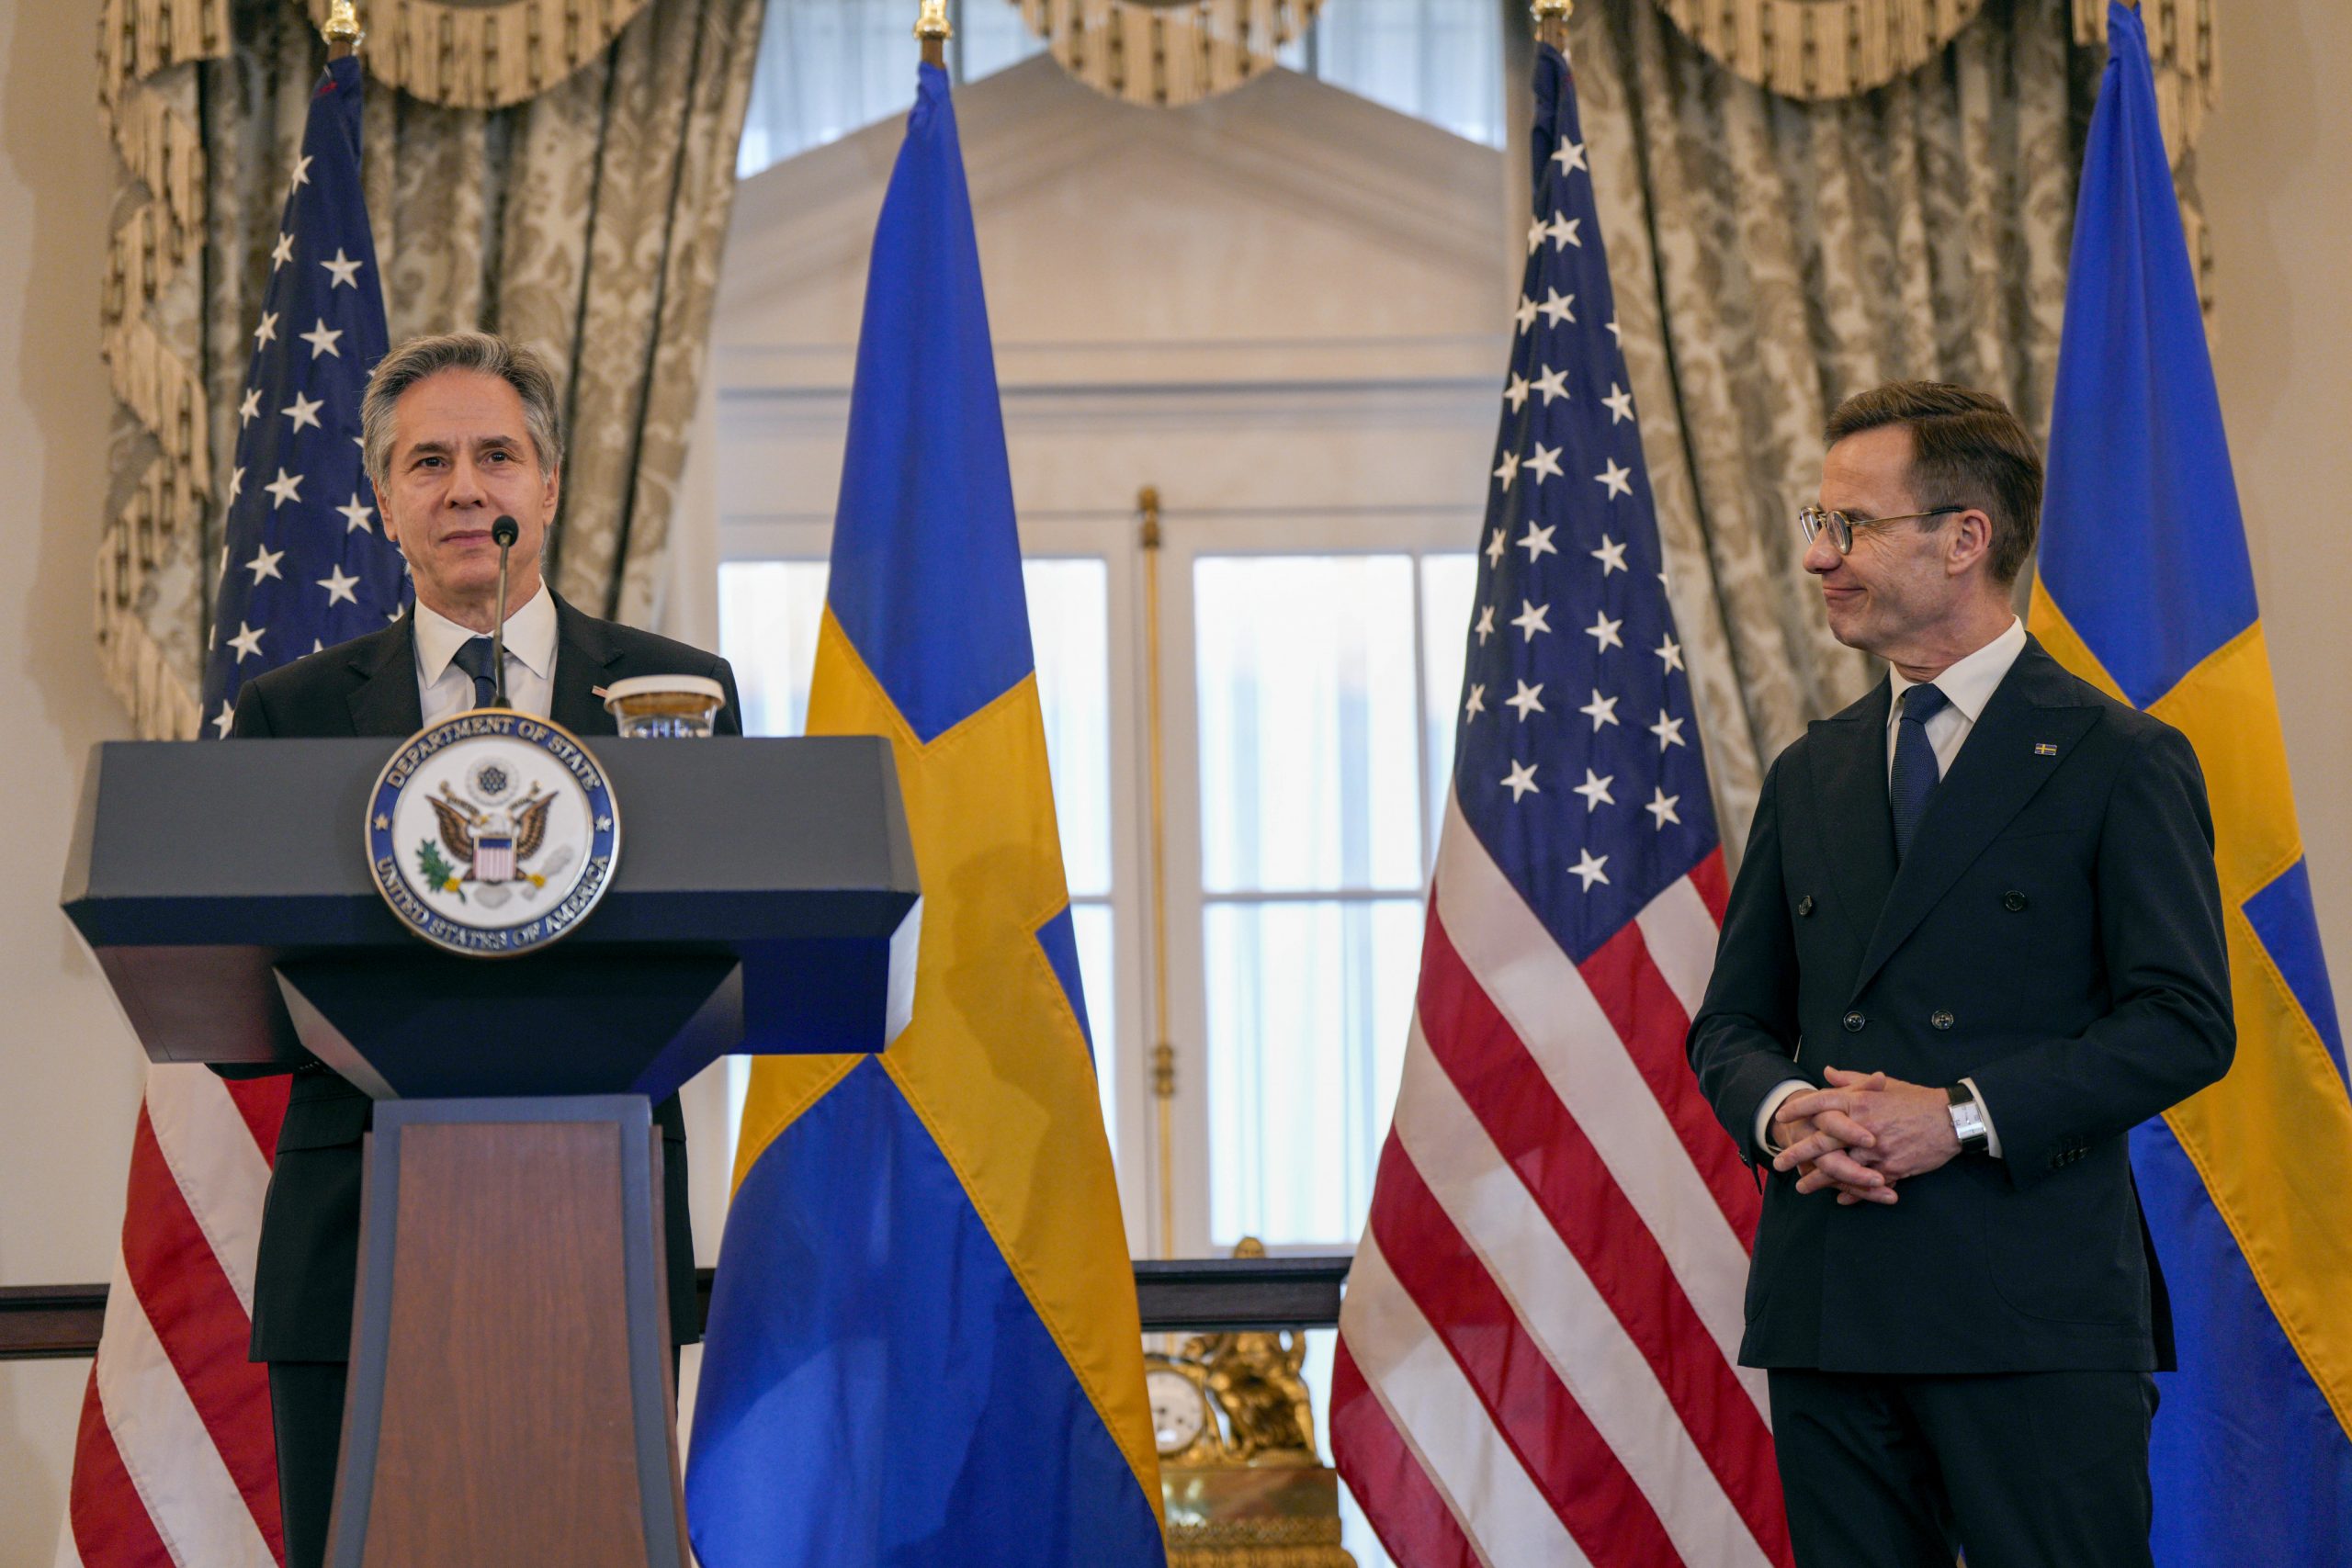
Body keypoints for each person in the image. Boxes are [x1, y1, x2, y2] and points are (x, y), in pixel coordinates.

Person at [1686, 381, 2233, 1568]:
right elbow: (1729, 1025)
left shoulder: (2119, 758)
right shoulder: (1811, 771)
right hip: (1832, 1303)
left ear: (1964, 537)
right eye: (1818, 523)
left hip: (2032, 1315)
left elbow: (2184, 1021)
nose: (1820, 557)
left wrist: (1959, 1117)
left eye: (1852, 525)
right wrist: (1787, 1112)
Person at [228, 331, 740, 1568]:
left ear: (548, 486)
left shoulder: (677, 694)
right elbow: (244, 987)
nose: (465, 489)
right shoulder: (292, 713)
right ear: (382, 499)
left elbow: (720, 949)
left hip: (603, 1229)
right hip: (353, 1240)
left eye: (496, 457)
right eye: (428, 462)